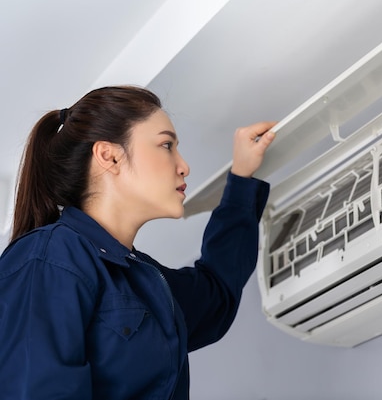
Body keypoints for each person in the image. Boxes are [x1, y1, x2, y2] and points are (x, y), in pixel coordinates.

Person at [0, 85, 276, 399]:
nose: (183, 165)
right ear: (109, 156)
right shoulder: (50, 257)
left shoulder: (144, 280)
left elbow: (216, 298)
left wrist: (241, 179)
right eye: (167, 145)